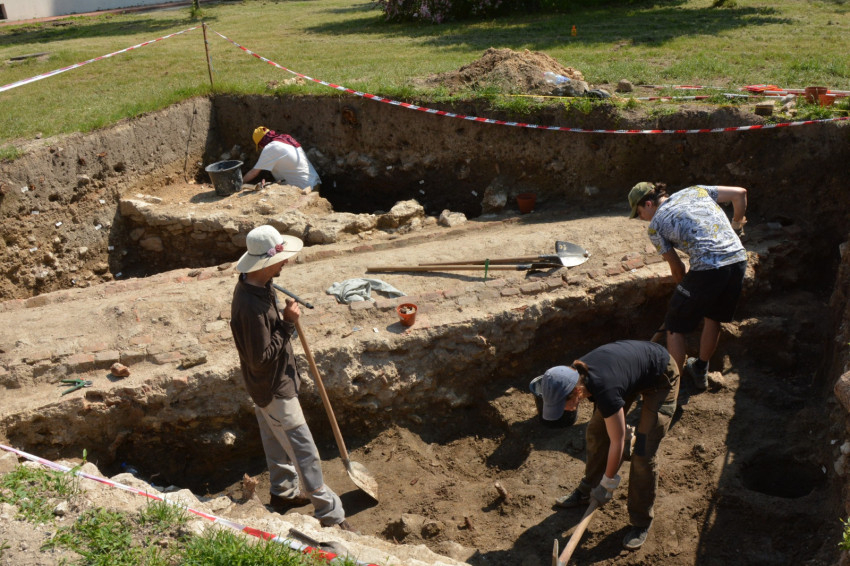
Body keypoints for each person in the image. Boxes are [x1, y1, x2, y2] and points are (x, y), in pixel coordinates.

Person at [229, 224, 354, 532]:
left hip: (265, 387)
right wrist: (287, 324)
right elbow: (259, 359)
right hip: (273, 388)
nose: (286, 262)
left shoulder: (256, 283)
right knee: (304, 451)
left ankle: (283, 494)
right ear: (266, 262)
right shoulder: (251, 307)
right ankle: (330, 514)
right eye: (282, 259)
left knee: (274, 440)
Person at [541, 340, 679, 551]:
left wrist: (608, 483)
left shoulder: (603, 387)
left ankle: (641, 521)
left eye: (562, 405)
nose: (565, 411)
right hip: (630, 375)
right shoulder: (574, 376)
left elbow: (617, 439)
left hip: (661, 376)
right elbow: (614, 434)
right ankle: (587, 490)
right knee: (596, 431)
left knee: (643, 451)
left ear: (576, 393)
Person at [628, 182, 748, 390]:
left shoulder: (655, 226)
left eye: (638, 213)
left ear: (648, 204)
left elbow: (677, 268)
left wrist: (682, 293)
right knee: (713, 318)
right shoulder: (696, 190)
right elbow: (740, 194)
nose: (641, 219)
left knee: (674, 325)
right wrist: (737, 225)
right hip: (737, 260)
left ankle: (672, 387)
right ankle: (701, 369)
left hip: (708, 268)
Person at [242, 127, 321, 193]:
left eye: (259, 147)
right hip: (314, 182)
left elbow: (254, 173)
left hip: (303, 189)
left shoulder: (270, 147)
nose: (261, 149)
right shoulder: (285, 139)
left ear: (261, 143)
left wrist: (240, 183)